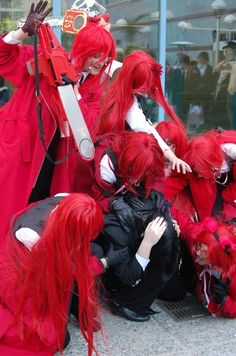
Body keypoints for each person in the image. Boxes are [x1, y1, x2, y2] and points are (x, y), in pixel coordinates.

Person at [0, 0, 116, 247]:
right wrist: (22, 33)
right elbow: (3, 56)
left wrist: (72, 91)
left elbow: (86, 126)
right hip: (19, 152)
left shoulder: (95, 88)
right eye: (96, 55)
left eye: (105, 58)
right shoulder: (47, 58)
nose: (100, 62)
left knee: (36, 225)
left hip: (53, 164)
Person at [0, 193, 104, 355]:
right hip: (19, 282)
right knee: (51, 338)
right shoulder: (33, 239)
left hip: (42, 263)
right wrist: (102, 264)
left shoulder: (66, 199)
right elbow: (66, 272)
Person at [96, 185, 185, 322]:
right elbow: (128, 276)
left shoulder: (156, 201)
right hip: (123, 276)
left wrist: (173, 235)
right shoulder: (119, 226)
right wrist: (147, 243)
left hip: (146, 250)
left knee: (176, 293)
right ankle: (128, 303)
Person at [94, 50, 191, 175]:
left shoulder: (118, 71)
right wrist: (171, 156)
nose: (145, 92)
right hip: (114, 158)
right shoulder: (126, 100)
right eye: (142, 87)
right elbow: (143, 127)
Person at [164, 128, 236, 222]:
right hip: (215, 191)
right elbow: (178, 179)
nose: (198, 175)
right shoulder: (194, 156)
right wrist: (156, 195)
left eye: (200, 173)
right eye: (196, 172)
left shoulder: (230, 150)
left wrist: (227, 196)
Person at [91, 131, 165, 212]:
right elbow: (97, 204)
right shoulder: (108, 166)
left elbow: (156, 178)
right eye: (142, 172)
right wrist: (113, 203)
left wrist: (154, 193)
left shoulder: (151, 153)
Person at [209, 40, 236, 129]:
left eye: (228, 51)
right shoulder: (227, 63)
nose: (226, 54)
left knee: (231, 117)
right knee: (228, 117)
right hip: (226, 94)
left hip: (230, 94)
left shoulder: (233, 64)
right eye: (225, 52)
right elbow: (216, 69)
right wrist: (226, 59)